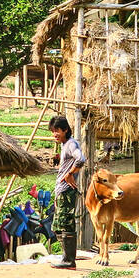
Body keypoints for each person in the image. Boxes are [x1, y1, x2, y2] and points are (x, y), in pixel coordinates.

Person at [48, 115, 85, 268]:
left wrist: (70, 174)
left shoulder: (70, 144)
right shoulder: (64, 145)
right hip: (61, 191)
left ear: (65, 130)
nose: (55, 134)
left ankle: (69, 261)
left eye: (57, 131)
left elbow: (81, 159)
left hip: (67, 191)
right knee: (57, 226)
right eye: (53, 131)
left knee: (66, 224)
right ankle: (66, 257)